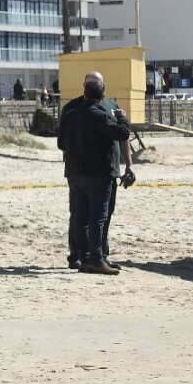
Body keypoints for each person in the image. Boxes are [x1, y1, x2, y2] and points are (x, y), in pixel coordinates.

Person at [57, 75, 132, 275]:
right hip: (99, 174)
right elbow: (122, 134)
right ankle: (97, 259)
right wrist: (122, 117)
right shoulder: (99, 115)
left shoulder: (71, 114)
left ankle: (85, 258)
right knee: (98, 217)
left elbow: (61, 144)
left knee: (80, 217)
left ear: (84, 92)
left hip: (77, 173)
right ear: (102, 96)